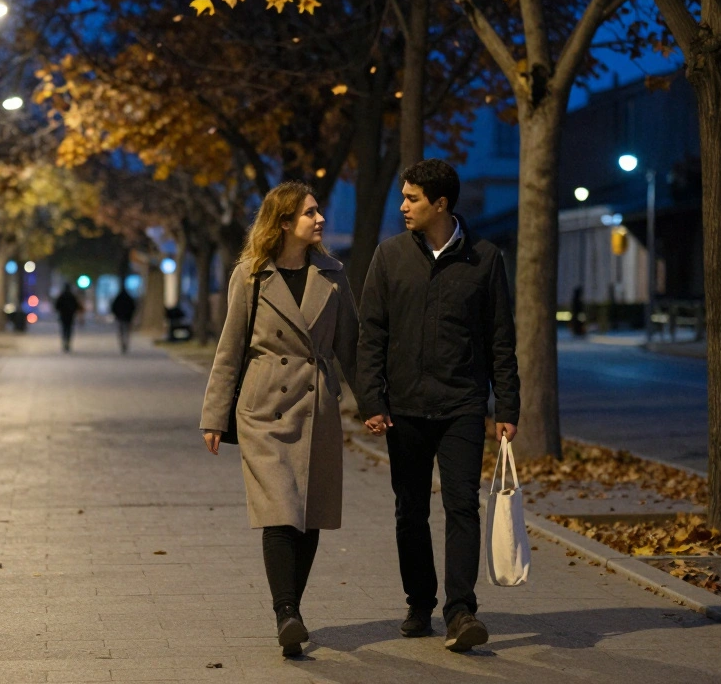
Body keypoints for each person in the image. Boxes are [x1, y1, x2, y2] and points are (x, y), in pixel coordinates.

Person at [357, 159, 520, 653]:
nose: (403, 206)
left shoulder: (485, 259)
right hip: (403, 408)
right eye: (403, 197)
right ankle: (418, 602)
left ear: (441, 203)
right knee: (410, 511)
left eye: (412, 199)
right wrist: (372, 398)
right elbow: (372, 337)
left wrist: (506, 406)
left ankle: (460, 611)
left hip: (462, 406)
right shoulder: (389, 257)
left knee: (462, 507)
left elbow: (500, 341)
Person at [200, 181, 359, 658]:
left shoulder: (332, 275)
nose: (320, 220)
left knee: (308, 515)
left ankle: (293, 613)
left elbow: (351, 346)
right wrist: (214, 415)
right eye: (310, 213)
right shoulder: (250, 274)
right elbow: (230, 349)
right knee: (280, 508)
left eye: (319, 211)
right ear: (285, 222)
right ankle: (285, 613)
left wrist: (373, 406)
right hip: (263, 406)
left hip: (316, 405)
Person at [54, 284, 81, 353]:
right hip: (70, 316)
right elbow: (77, 306)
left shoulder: (61, 296)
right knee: (69, 330)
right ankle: (67, 343)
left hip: (63, 316)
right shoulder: (72, 296)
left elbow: (56, 306)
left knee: (64, 329)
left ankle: (64, 343)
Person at [110, 287, 137, 354]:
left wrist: (116, 314)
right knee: (126, 331)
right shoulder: (129, 299)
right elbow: (133, 307)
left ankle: (122, 343)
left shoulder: (117, 299)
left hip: (119, 318)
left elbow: (113, 307)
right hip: (127, 318)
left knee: (121, 331)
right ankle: (126, 343)